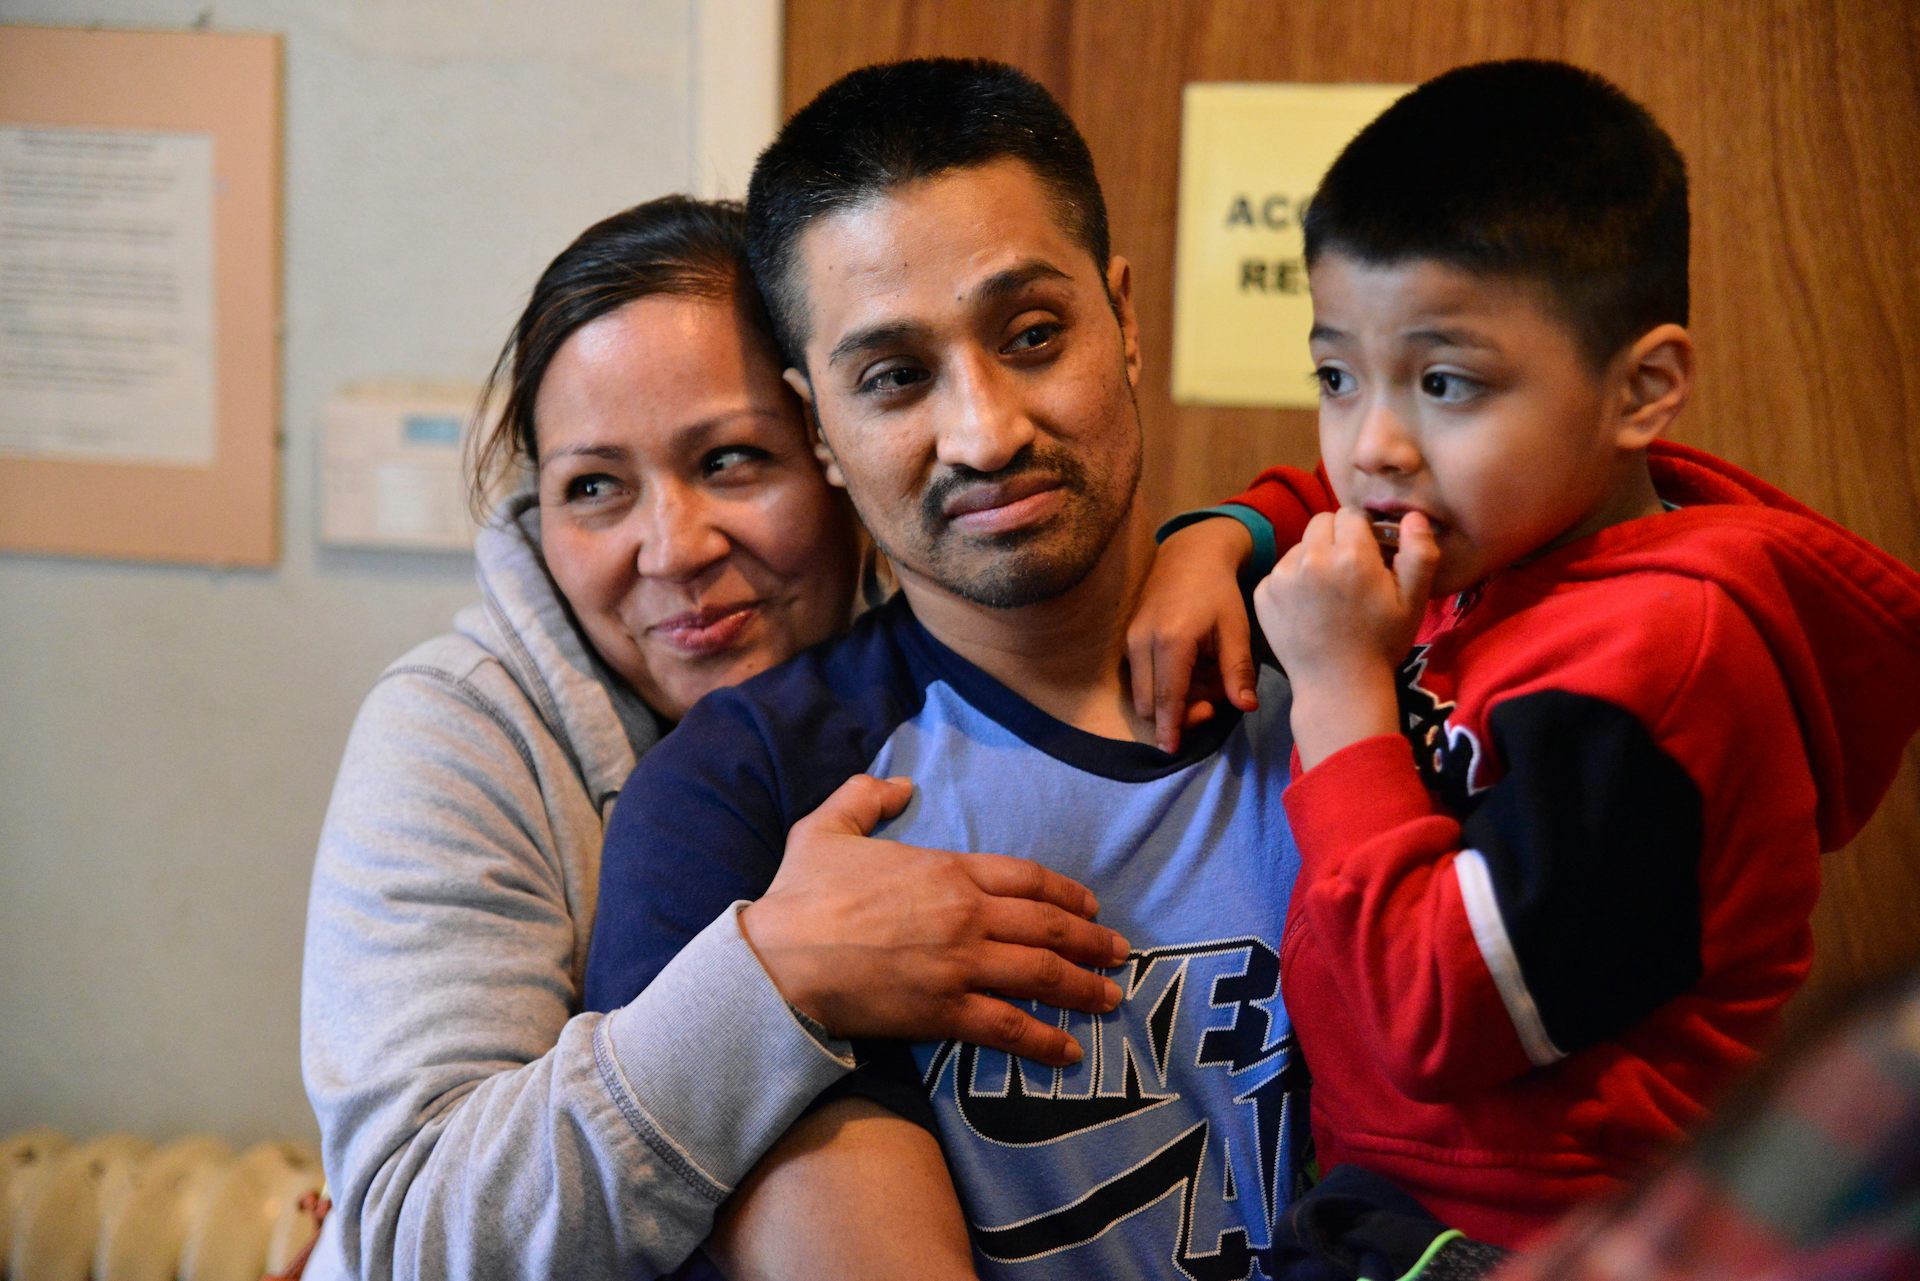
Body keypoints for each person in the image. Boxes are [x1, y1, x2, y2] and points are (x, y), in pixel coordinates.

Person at [1126, 59, 1920, 1249]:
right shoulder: (1502, 526)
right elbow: (1336, 494)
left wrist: (1343, 695)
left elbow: (1434, 1017)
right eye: (1337, 375)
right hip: (1382, 1193)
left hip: (1525, 1242)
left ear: (1640, 391)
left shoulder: (1660, 664)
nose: (1372, 446)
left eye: (1445, 381)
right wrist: (1222, 535)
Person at [583, 59, 1330, 1281]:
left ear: (1126, 321)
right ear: (815, 424)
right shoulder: (742, 802)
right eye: (895, 378)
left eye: (1033, 336)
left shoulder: (1349, 650)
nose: (985, 431)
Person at [299, 196, 1129, 1281]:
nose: (673, 548)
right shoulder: (461, 729)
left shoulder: (951, 681)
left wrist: (1229, 541)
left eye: (733, 461)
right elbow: (415, 1240)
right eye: (593, 488)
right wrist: (776, 976)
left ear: (838, 447)